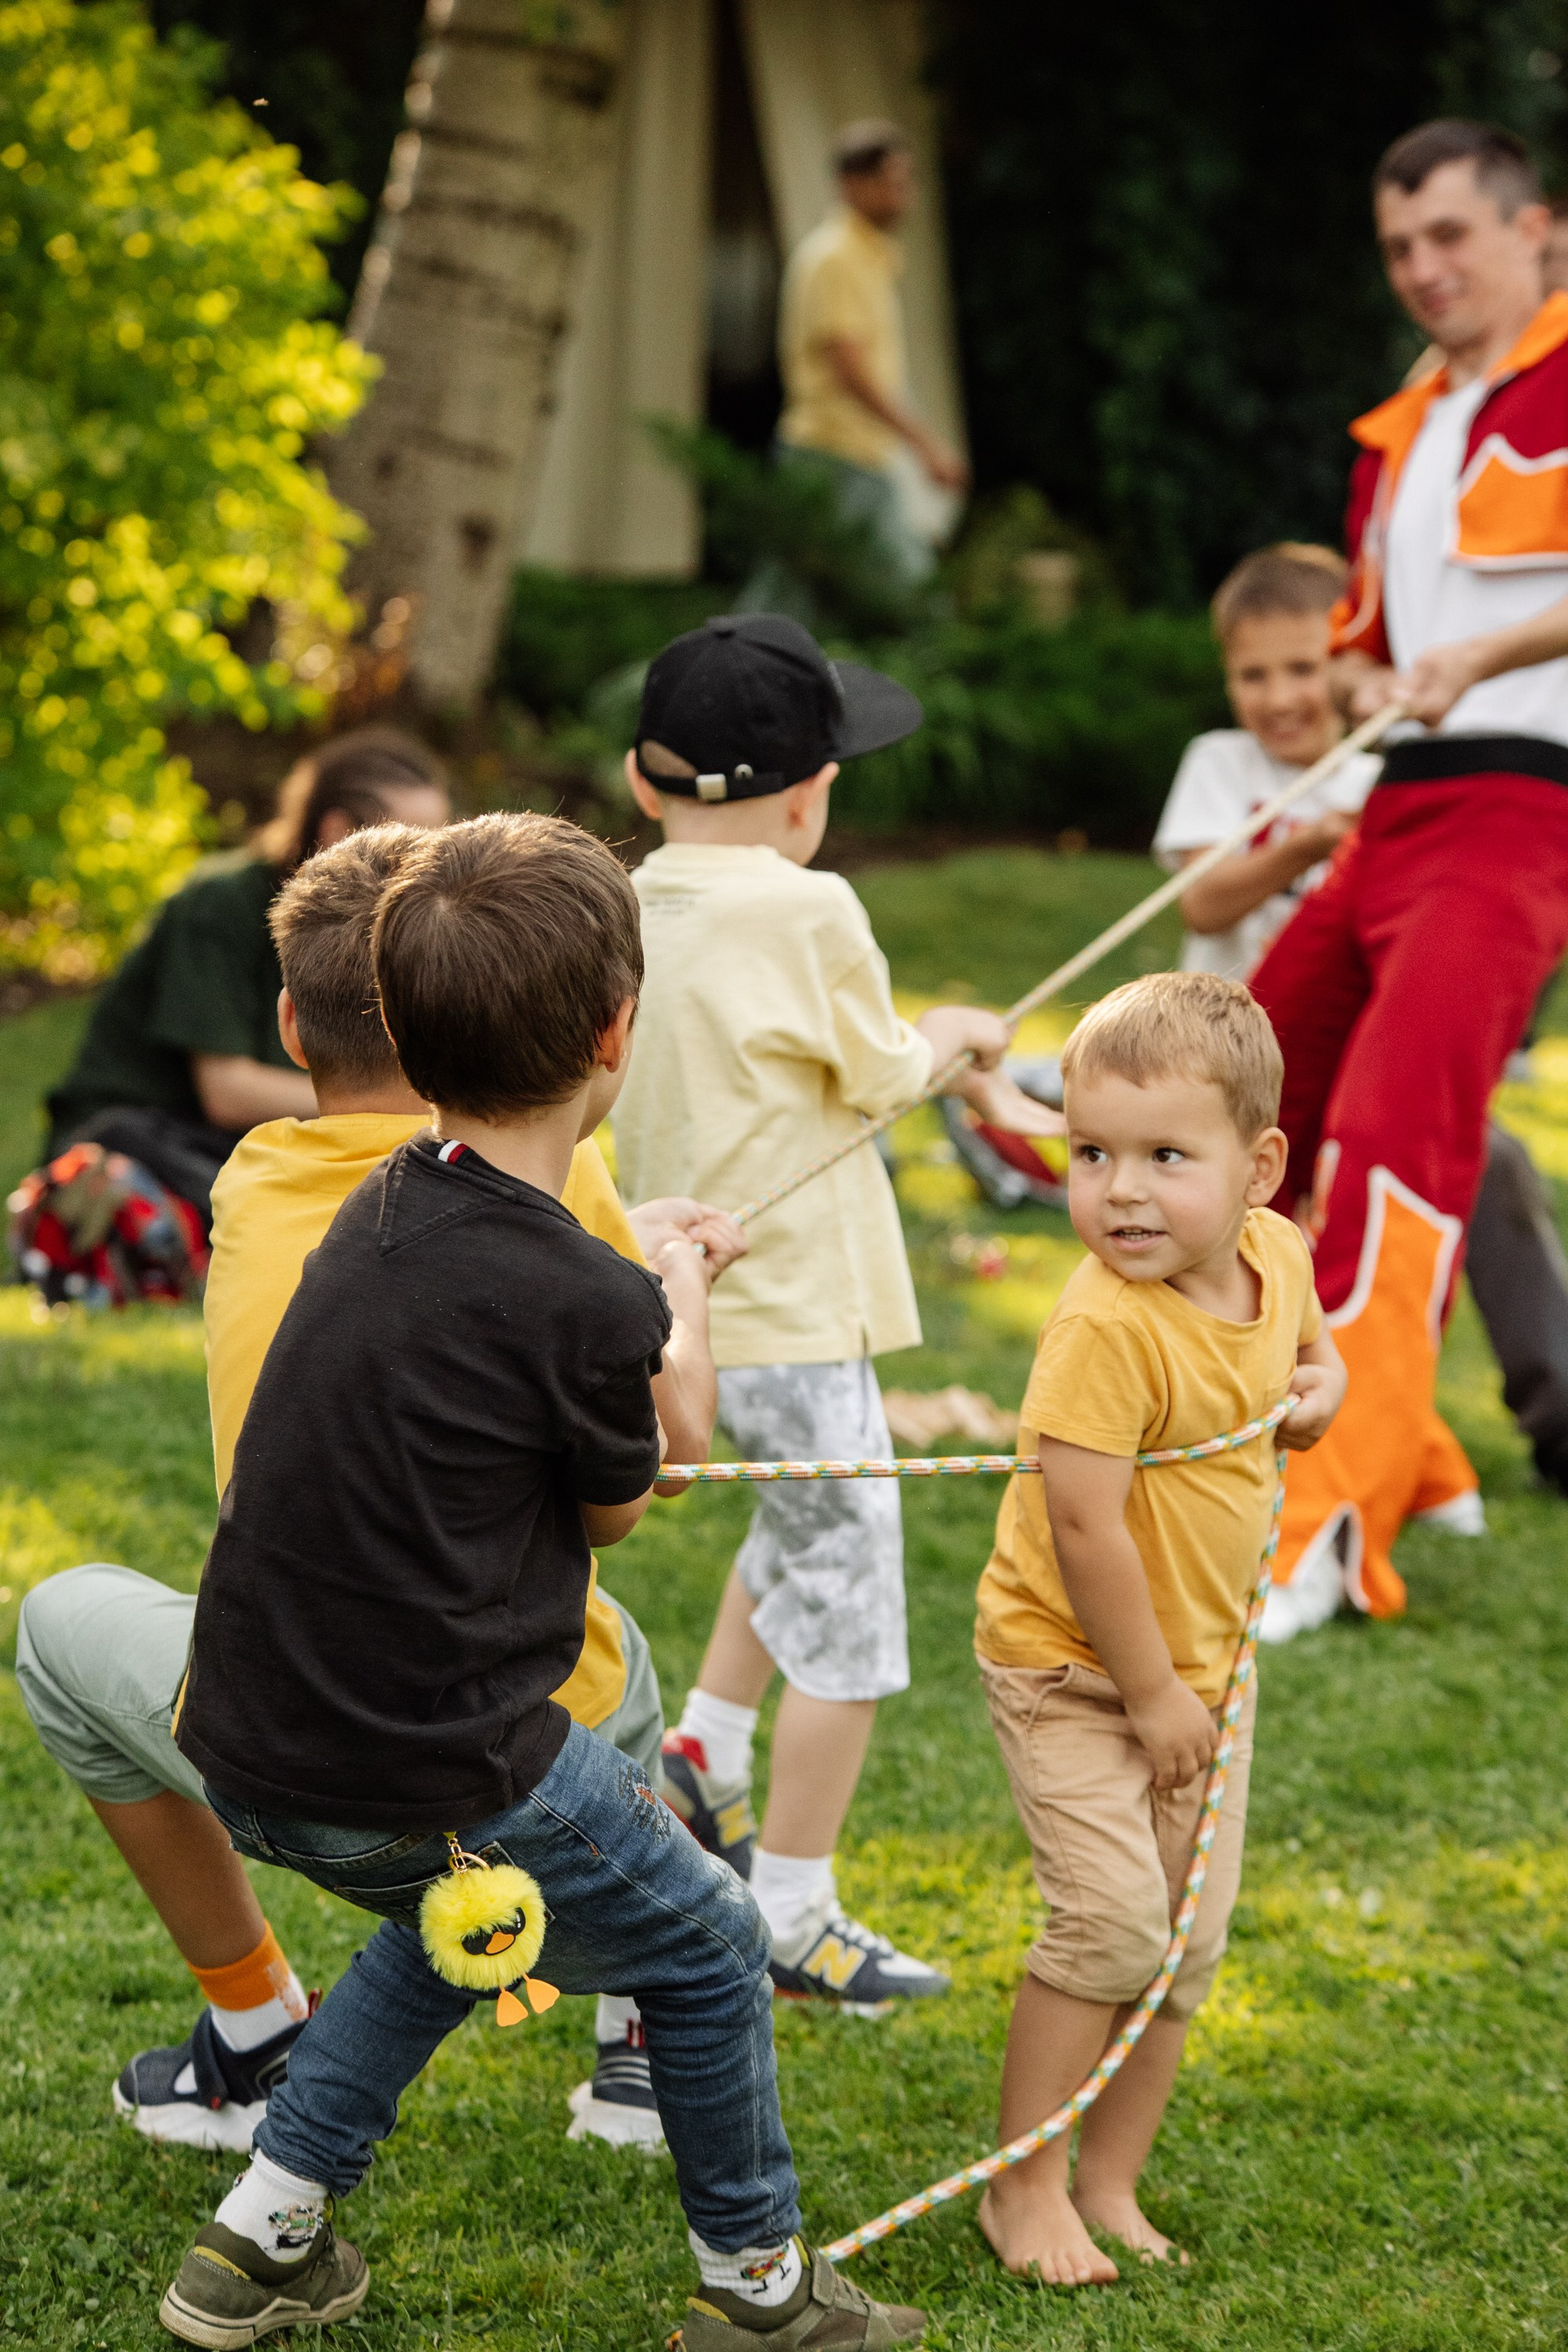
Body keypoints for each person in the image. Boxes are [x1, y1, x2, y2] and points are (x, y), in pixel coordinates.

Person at [154, 812, 925, 2352]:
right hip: (446, 1752)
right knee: (707, 1941)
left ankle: (260, 2238)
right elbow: (628, 1503)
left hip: (246, 1739)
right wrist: (673, 1298)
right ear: (612, 1031)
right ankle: (761, 2295)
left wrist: (635, 1297)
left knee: (462, 1914)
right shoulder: (581, 1285)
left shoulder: (365, 1202)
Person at [16, 825, 744, 2159]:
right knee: (621, 1648)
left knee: (57, 1626)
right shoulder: (570, 1179)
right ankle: (641, 2019)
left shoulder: (253, 1179)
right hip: (501, 1759)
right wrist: (670, 1274)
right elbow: (664, 1455)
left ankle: (250, 2028)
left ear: (294, 1027)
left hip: (267, 1725)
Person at [614, 611, 1058, 2010]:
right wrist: (962, 1036)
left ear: (643, 783)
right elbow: (880, 1071)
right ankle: (793, 1912)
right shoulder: (812, 907)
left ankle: (703, 1751)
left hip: (669, 1306)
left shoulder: (617, 901)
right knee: (854, 1596)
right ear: (808, 795)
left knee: (794, 1522)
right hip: (795, 1311)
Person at [972, 973, 1345, 2284]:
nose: (1119, 1193)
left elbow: (1313, 1349)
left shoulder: (1276, 1255)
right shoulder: (1101, 1328)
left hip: (1205, 1673)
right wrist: (1150, 1696)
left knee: (1184, 1949)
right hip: (1076, 1671)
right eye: (1090, 1155)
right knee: (1113, 1929)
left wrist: (1321, 1387)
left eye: (1163, 1158)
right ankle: (1024, 2193)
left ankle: (1109, 2185)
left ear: (1260, 1169)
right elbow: (1085, 1532)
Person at [1248, 118, 1568, 1628]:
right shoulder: (1399, 433)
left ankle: (1325, 1522)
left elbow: (1491, 643)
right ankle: (1421, 1454)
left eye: (1451, 235)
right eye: (1401, 248)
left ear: (1537, 230)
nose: (1426, 269)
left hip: (1522, 812)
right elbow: (1380, 651)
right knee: (1247, 1091)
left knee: (1393, 1147)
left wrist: (1486, 657)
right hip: (1397, 809)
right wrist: (1375, 688)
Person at [42, 728, 448, 1230]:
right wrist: (411, 1106)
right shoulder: (219, 904)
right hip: (137, 1142)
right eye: (412, 843)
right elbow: (228, 1094)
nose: (429, 869)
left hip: (248, 1145)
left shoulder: (391, 931)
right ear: (338, 830)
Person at [1154, 545, 1381, 981]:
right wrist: (1307, 846)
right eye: (1252, 675)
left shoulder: (1377, 784)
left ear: (1349, 665)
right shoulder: (1219, 760)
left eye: (1302, 670)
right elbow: (1203, 906)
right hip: (1218, 1036)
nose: (1279, 700)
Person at [775, 118, 968, 587]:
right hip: (835, 451)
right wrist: (924, 444)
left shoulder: (866, 256)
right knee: (910, 591)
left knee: (797, 595)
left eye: (907, 180)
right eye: (891, 181)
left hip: (844, 452)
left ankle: (725, 659)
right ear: (851, 184)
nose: (905, 194)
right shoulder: (838, 257)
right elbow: (850, 370)